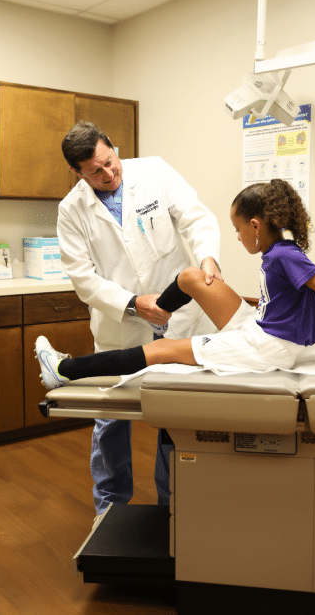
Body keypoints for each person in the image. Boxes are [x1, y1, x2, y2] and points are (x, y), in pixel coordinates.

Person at [36, 178, 315, 402]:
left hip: (266, 347)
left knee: (161, 349)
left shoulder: (285, 256)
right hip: (258, 325)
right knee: (191, 276)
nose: (236, 238)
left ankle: (65, 370)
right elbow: (307, 299)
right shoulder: (276, 251)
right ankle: (162, 313)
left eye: (237, 230)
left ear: (255, 226)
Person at [55, 121, 223, 516]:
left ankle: (173, 506)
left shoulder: (155, 172)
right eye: (95, 172)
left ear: (113, 149)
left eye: (110, 162)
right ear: (78, 173)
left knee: (174, 416)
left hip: (179, 319)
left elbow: (196, 218)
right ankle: (109, 509)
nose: (109, 174)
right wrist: (132, 303)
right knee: (110, 421)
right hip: (121, 325)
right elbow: (82, 278)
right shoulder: (70, 210)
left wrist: (208, 256)